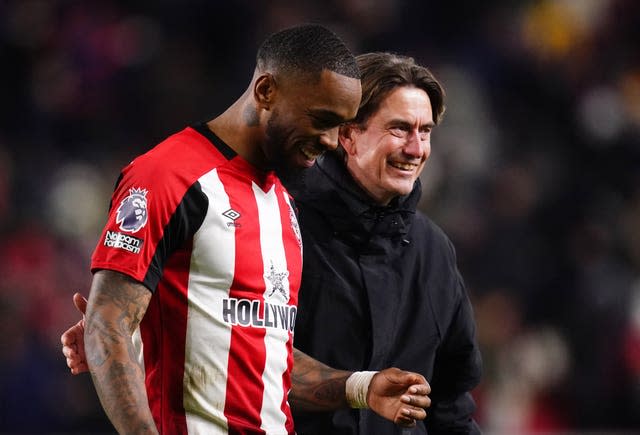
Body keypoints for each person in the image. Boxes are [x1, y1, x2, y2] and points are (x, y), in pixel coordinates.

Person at [60, 25, 432, 435]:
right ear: (266, 91)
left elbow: (262, 354)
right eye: (322, 120)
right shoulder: (168, 176)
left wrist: (362, 386)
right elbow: (107, 323)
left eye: (340, 126)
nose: (330, 142)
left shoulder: (283, 202)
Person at [288, 52, 482, 434]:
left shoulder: (434, 250)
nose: (416, 149)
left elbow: (451, 404)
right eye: (399, 129)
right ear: (347, 135)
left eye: (424, 131)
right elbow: (252, 362)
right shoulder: (284, 226)